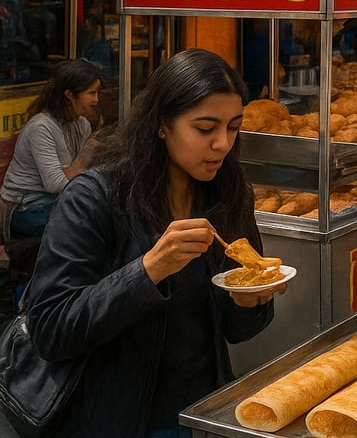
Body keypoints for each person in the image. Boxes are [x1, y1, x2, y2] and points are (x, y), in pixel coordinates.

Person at [24, 49, 279, 435]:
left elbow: (235, 331)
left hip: (200, 411)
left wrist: (250, 301)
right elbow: (51, 330)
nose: (223, 144)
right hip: (115, 417)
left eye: (233, 127)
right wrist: (148, 270)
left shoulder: (229, 195)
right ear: (162, 124)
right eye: (205, 129)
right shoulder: (95, 197)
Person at [1, 59, 103, 245]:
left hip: (57, 200)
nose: (96, 100)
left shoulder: (82, 124)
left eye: (97, 93)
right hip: (26, 207)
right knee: (86, 226)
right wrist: (88, 153)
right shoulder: (41, 127)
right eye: (91, 93)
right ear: (70, 95)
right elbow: (55, 184)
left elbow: (78, 178)